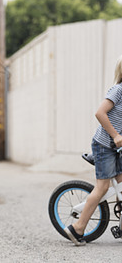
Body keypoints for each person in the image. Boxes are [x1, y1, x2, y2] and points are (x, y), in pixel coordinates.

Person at [64, 55, 122, 246]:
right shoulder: (118, 90)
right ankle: (78, 228)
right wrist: (115, 135)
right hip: (105, 145)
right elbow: (100, 113)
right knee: (102, 187)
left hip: (117, 148)